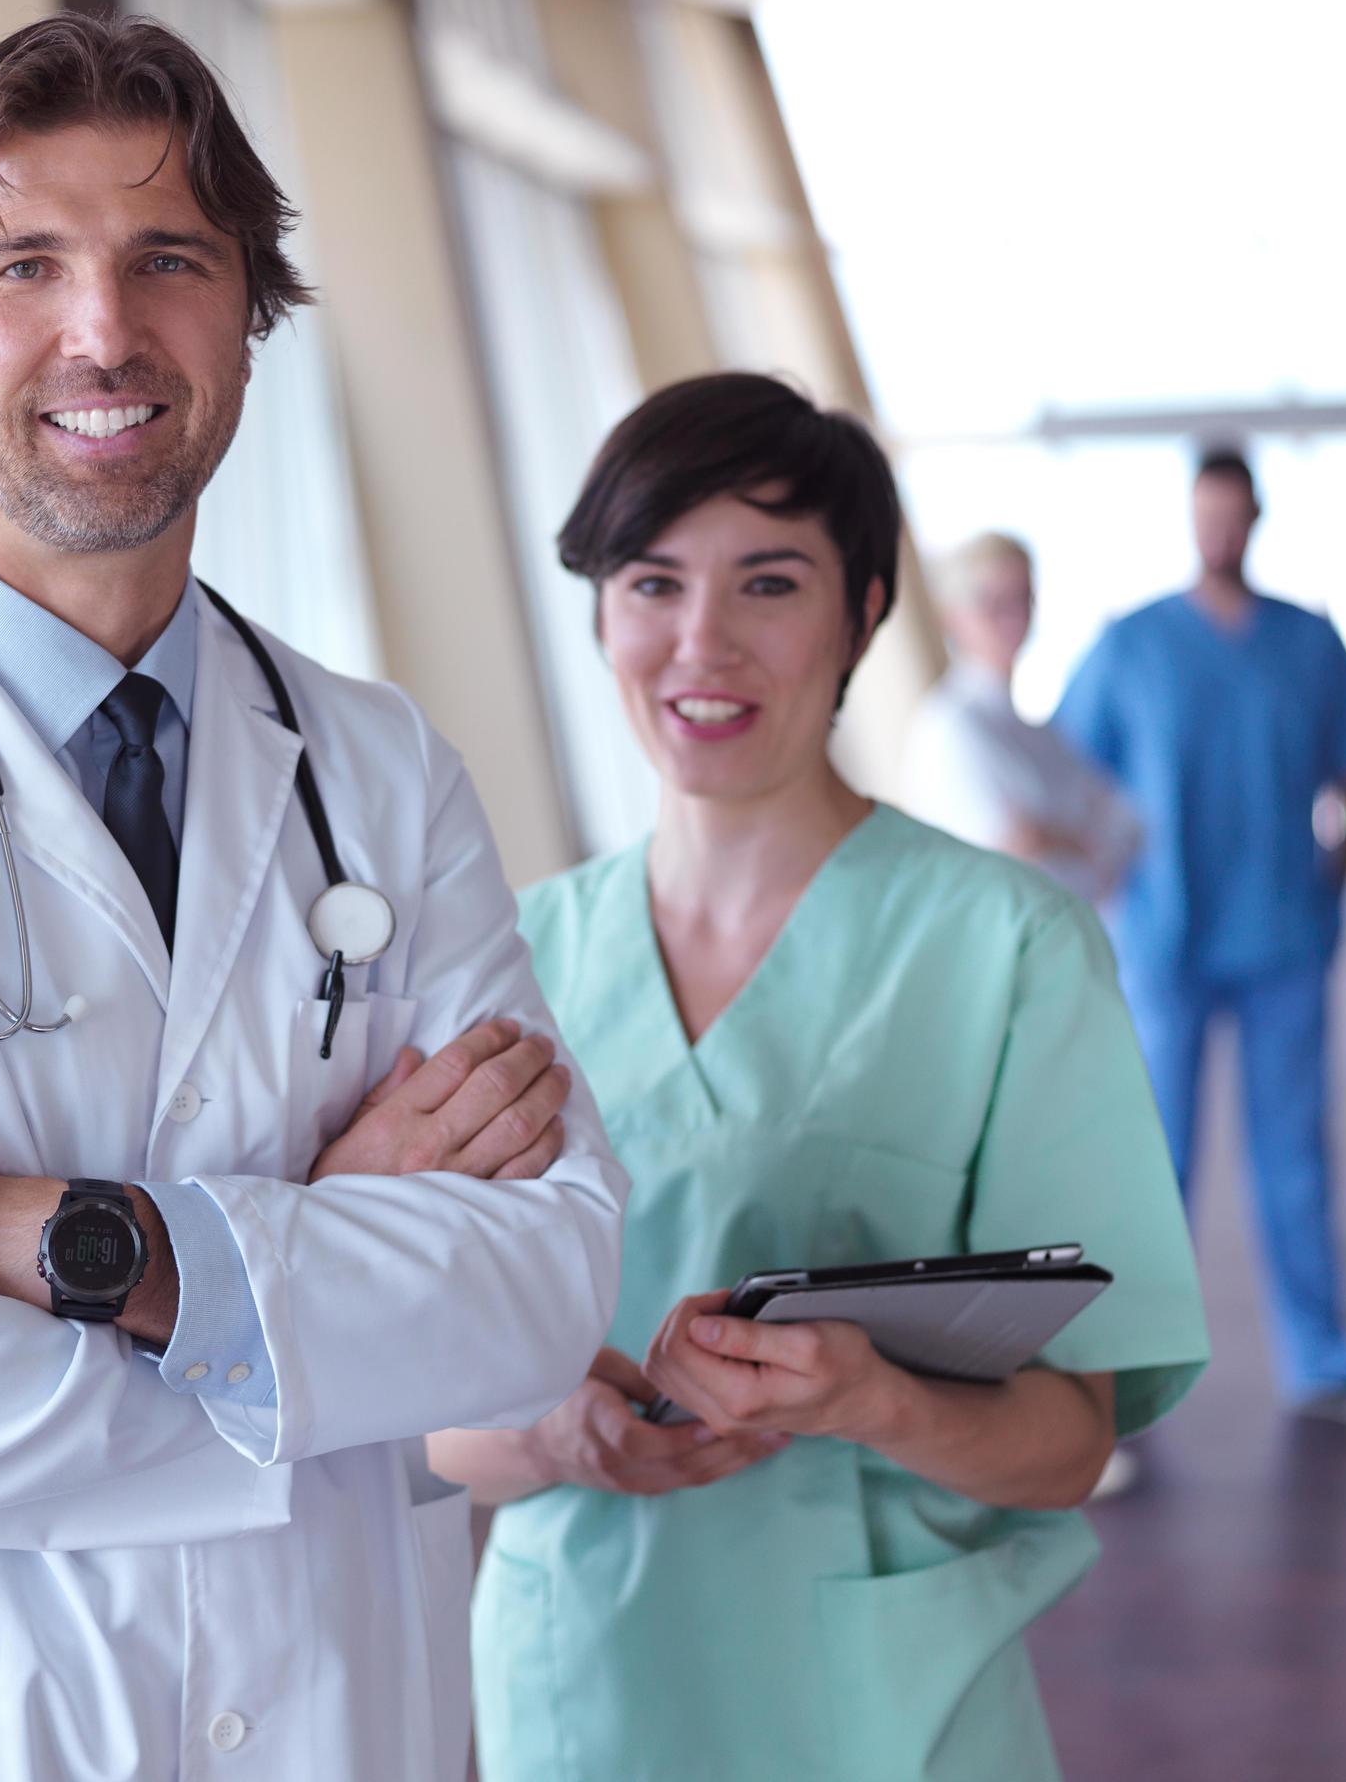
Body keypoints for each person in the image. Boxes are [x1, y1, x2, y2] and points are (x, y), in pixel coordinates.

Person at [0, 12, 627, 1779]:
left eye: (168, 260)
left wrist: (101, 1246)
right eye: (22, 267)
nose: (104, 331)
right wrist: (309, 1292)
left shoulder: (376, 769)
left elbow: (541, 1294)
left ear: (248, 315)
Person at [434, 374, 1207, 1781]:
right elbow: (412, 1416)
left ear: (861, 612)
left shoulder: (1006, 946)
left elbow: (1068, 1445)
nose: (699, 642)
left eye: (767, 583)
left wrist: (868, 1399)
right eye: (650, 581)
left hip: (886, 1704)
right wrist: (551, 1434)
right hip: (583, 1685)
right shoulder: (505, 957)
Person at [1051, 447, 1346, 1428]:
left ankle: (1326, 1362)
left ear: (1256, 516)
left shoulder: (1307, 639)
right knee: (1153, 1160)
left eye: (1232, 513)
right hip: (1167, 940)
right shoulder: (1131, 642)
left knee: (1295, 1154)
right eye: (1203, 513)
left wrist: (1332, 901)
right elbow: (1068, 773)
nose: (1218, 531)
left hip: (1285, 937)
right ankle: (1126, 1374)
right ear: (1188, 518)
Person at [903, 530, 1141, 904]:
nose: (1014, 617)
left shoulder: (1041, 732)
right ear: (954, 616)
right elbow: (1007, 848)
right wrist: (1076, 841)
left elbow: (1126, 829)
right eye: (993, 603)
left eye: (1023, 599)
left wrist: (1057, 838)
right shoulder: (949, 726)